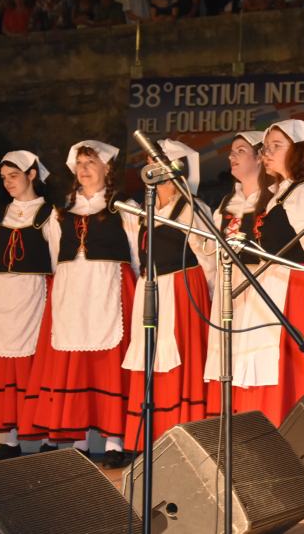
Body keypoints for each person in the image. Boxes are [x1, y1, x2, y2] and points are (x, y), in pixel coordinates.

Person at [205, 120, 304, 427]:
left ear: (300, 152)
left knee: (293, 369)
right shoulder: (279, 193)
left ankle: (296, 435)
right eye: (266, 146)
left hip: (299, 291)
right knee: (268, 365)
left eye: (276, 146)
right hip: (276, 288)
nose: (267, 153)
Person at [19, 141, 139, 469]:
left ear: (107, 169)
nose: (84, 169)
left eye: (91, 162)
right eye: (80, 163)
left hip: (110, 290)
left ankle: (116, 441)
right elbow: (59, 258)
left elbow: (137, 256)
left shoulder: (123, 208)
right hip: (73, 293)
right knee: (75, 363)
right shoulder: (62, 213)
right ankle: (80, 440)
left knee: (109, 363)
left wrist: (137, 291)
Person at [122, 140, 215, 452]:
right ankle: (149, 438)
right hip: (151, 291)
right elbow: (139, 257)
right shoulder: (145, 209)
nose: (154, 168)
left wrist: (212, 300)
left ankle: (182, 435)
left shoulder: (192, 208)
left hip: (182, 289)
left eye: (160, 163)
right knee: (149, 359)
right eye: (150, 161)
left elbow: (209, 258)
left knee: (179, 362)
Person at [0, 151, 57, 461]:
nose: (8, 183)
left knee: (36, 368)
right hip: (0, 300)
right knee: (5, 369)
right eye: (4, 178)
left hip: (33, 296)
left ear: (31, 175)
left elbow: (59, 263)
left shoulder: (49, 214)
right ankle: (10, 440)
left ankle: (48, 438)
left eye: (14, 176)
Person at [204, 131, 275, 418]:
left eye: (241, 150)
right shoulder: (225, 204)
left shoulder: (273, 200)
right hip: (228, 287)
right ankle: (229, 422)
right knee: (228, 356)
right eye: (231, 152)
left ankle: (257, 416)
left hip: (261, 285)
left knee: (255, 356)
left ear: (260, 157)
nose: (232, 156)